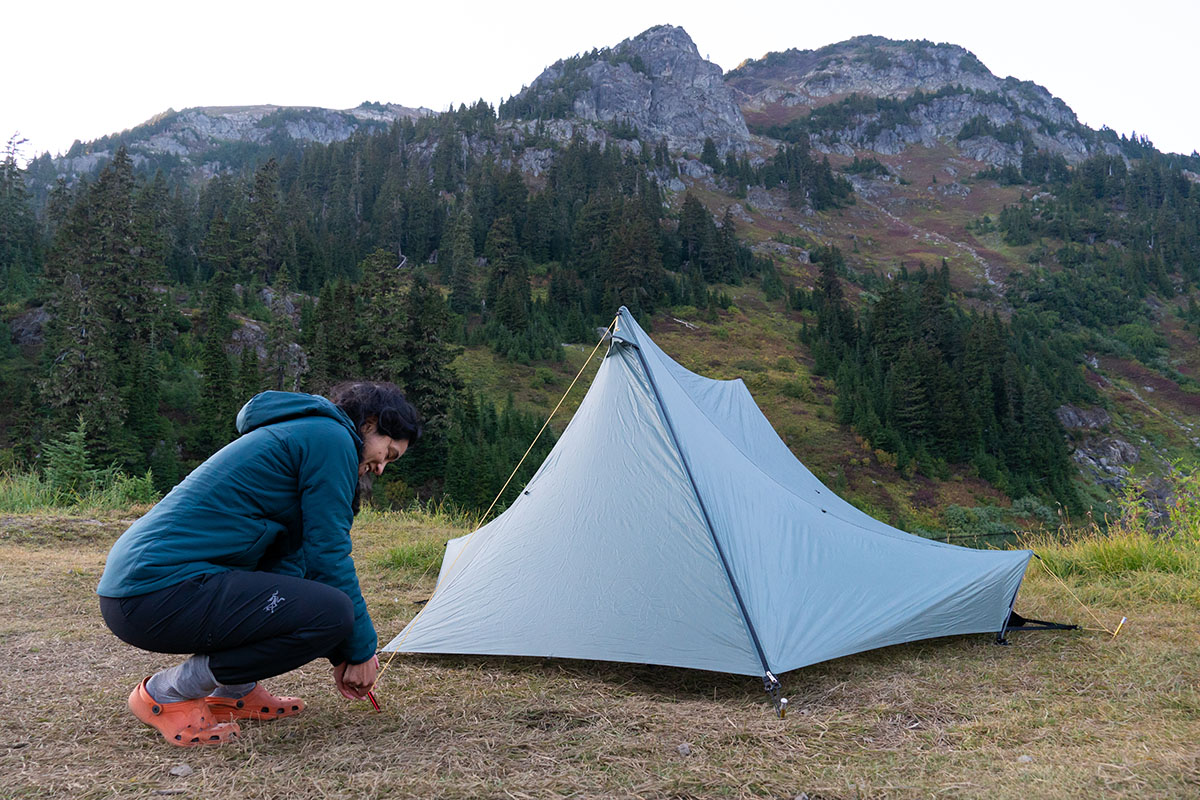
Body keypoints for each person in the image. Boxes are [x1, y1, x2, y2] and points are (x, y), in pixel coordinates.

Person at [97, 381, 421, 747]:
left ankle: (235, 690)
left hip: (142, 590)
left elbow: (288, 565)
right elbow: (328, 555)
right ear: (369, 423)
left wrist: (342, 652)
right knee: (333, 612)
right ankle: (167, 693)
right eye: (388, 453)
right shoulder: (331, 439)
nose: (380, 468)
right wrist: (361, 650)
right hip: (154, 590)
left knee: (322, 610)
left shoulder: (307, 433)